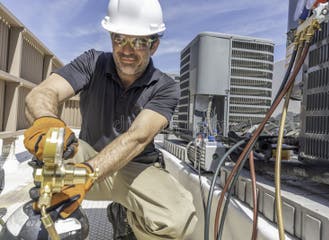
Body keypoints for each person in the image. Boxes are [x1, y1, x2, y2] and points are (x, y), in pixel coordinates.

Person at [23, 0, 198, 239]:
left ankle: (127, 218)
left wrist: (88, 173)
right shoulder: (92, 62)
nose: (126, 50)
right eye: (119, 39)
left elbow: (139, 136)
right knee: (51, 146)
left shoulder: (166, 87)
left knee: (180, 223)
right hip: (88, 156)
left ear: (154, 45)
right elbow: (42, 93)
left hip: (135, 167)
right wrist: (46, 121)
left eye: (138, 41)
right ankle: (62, 216)